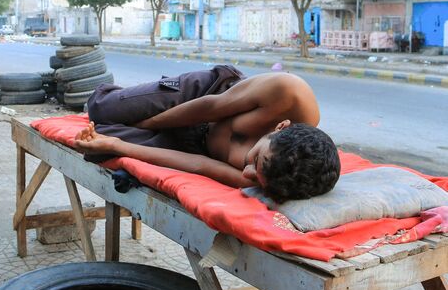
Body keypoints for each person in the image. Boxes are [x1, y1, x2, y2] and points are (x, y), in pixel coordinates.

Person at [74, 65, 340, 203]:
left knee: (101, 145)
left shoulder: (279, 178)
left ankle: (121, 128)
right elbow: (210, 107)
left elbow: (199, 164)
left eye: (256, 179)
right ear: (281, 127)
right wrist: (147, 124)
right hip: (203, 95)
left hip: (192, 145)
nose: (246, 175)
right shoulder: (288, 92)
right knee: (100, 109)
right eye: (255, 160)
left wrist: (119, 145)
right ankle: (132, 95)